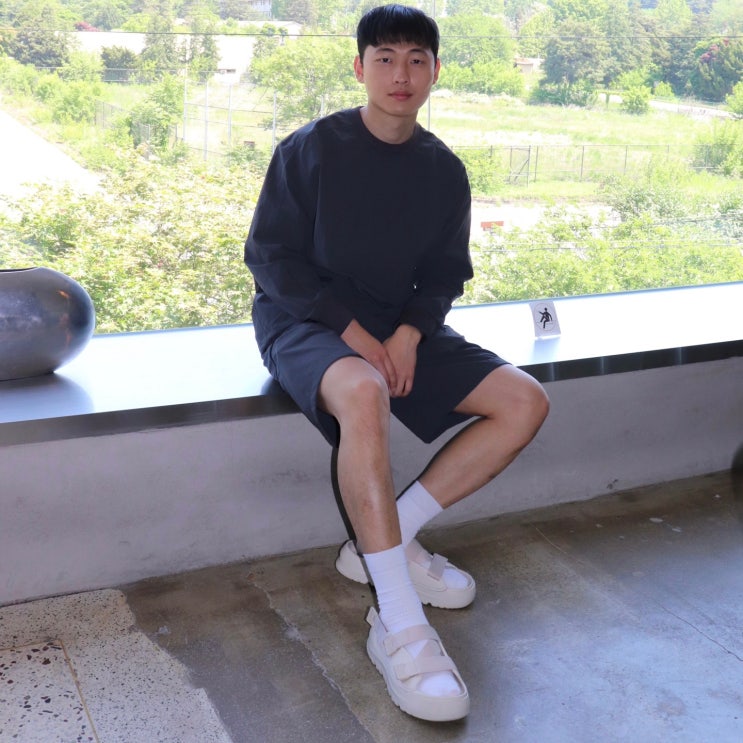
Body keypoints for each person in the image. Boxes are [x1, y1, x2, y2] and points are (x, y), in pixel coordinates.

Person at [244, 3, 549, 722]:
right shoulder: (310, 149)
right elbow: (271, 259)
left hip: (397, 326)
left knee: (524, 401)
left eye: (416, 60)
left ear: (436, 71)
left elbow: (443, 274)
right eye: (384, 58)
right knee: (362, 389)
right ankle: (399, 620)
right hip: (304, 320)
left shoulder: (442, 169)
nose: (400, 74)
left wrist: (411, 332)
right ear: (359, 68)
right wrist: (352, 331)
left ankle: (385, 539)